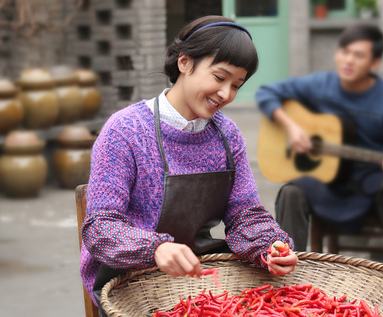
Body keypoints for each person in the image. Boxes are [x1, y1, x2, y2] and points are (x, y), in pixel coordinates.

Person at [80, 15, 298, 313]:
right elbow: (100, 228)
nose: (226, 94)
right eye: (219, 78)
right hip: (127, 279)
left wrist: (269, 246)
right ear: (184, 63)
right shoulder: (125, 130)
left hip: (200, 274)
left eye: (237, 85)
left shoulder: (227, 134)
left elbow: (245, 213)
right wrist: (156, 249)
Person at [255, 24, 383, 251]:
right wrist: (291, 127)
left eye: (358, 55)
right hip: (325, 183)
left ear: (374, 63)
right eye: (344, 52)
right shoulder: (320, 85)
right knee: (291, 192)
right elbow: (266, 93)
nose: (348, 60)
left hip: (369, 186)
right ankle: (286, 269)